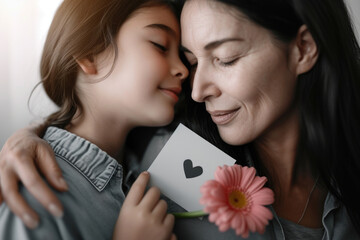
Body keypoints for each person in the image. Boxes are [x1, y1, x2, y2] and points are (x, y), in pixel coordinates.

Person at [1, 0, 360, 239]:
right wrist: (37, 136)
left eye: (226, 58)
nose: (196, 86)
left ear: (304, 49)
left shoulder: (346, 173)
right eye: (192, 61)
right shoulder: (171, 161)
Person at [0, 0, 188, 239]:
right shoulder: (34, 191)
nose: (183, 68)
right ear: (89, 55)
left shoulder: (149, 168)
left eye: (183, 56)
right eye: (160, 45)